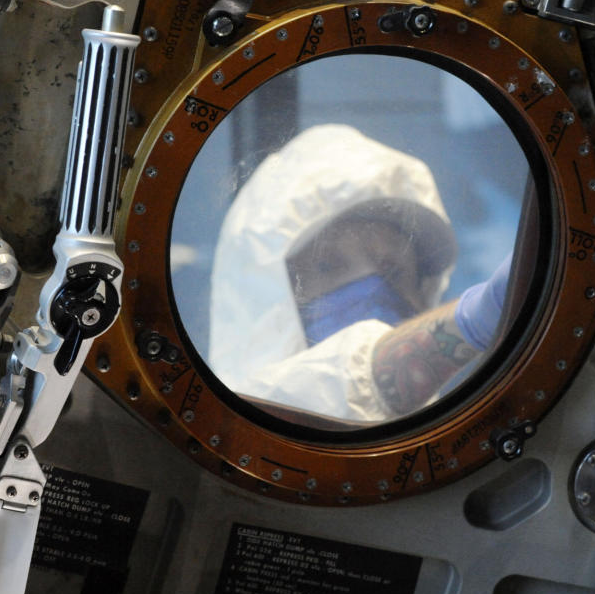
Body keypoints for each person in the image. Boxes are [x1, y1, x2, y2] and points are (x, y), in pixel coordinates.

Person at [208, 124, 512, 423]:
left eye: (393, 271)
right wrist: (470, 322)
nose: (372, 284)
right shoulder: (222, 435)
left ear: (424, 295)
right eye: (329, 265)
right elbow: (326, 389)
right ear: (270, 293)